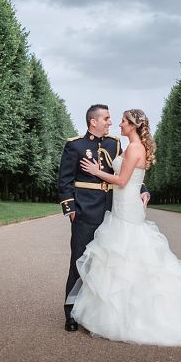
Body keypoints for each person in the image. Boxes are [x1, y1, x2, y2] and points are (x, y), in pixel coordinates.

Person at [67, 108, 181, 346]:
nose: (118, 124)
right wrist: (143, 191)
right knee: (126, 258)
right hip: (123, 207)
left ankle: (129, 315)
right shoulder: (123, 146)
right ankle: (122, 309)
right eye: (112, 120)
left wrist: (96, 171)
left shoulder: (133, 148)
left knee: (126, 255)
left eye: (123, 121)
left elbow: (123, 180)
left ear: (133, 126)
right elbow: (134, 178)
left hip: (125, 210)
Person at [58, 104, 149, 332]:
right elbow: (65, 180)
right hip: (85, 209)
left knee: (105, 263)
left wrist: (142, 188)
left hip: (112, 210)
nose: (110, 122)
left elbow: (126, 171)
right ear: (93, 121)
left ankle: (93, 310)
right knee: (79, 260)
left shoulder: (114, 144)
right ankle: (70, 311)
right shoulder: (75, 145)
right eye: (107, 119)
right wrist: (70, 208)